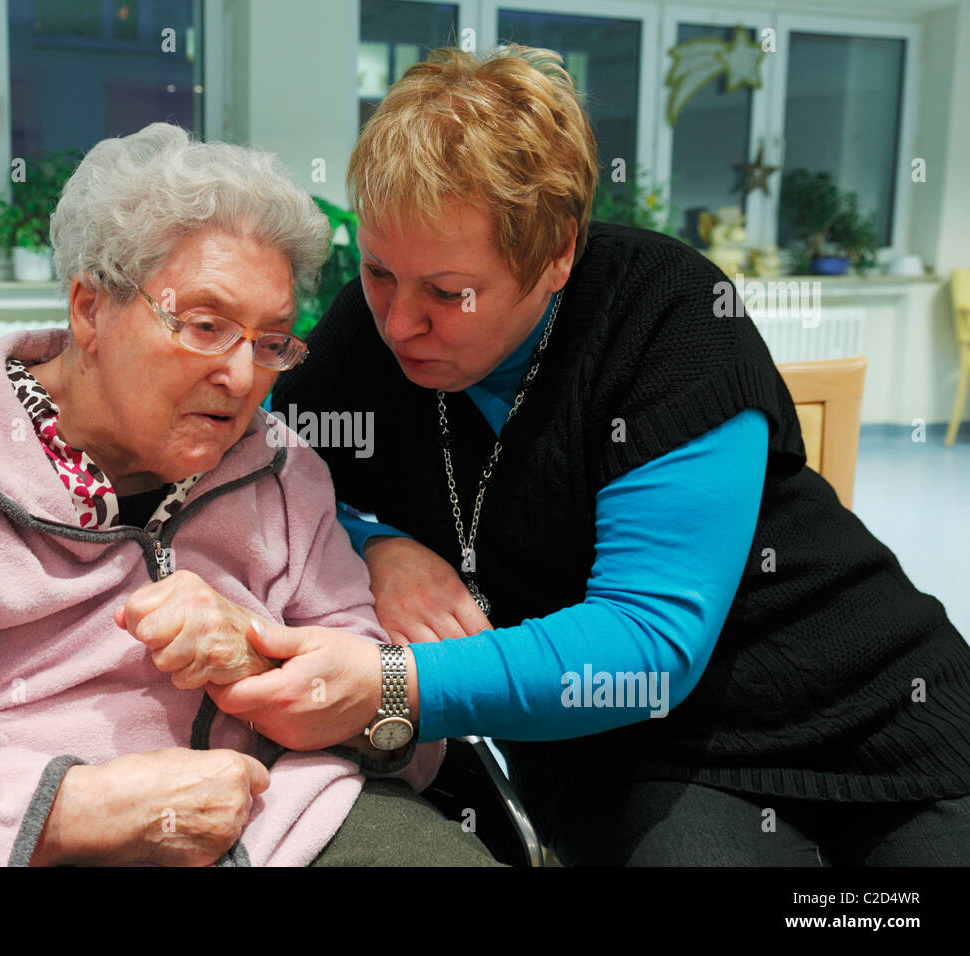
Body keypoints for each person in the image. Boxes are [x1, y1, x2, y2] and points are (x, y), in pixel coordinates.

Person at [191, 46, 970, 866]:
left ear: (556, 253)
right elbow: (263, 471)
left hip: (874, 715)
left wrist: (392, 688)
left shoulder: (663, 316)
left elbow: (647, 640)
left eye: (450, 292)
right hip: (618, 754)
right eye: (382, 272)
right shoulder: (365, 334)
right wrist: (373, 542)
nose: (399, 323)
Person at [0, 122, 499, 867]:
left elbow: (403, 726)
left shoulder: (281, 468)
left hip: (296, 823)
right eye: (207, 326)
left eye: (271, 340)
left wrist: (256, 662)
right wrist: (97, 809)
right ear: (91, 310)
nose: (244, 380)